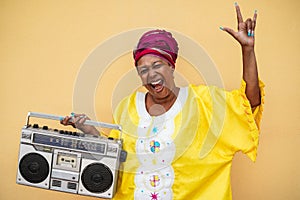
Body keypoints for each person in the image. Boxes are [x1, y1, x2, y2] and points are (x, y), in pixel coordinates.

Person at [61, 3, 264, 200]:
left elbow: (248, 104)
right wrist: (90, 131)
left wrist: (247, 51)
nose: (151, 74)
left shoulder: (204, 102)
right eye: (143, 70)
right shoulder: (128, 107)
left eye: (157, 65)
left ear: (171, 66)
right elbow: (118, 158)